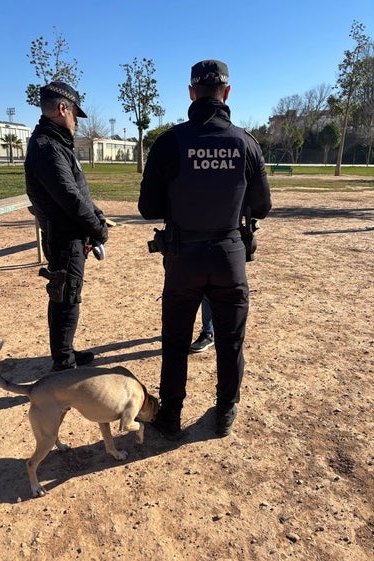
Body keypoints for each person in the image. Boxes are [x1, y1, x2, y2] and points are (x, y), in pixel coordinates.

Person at [138, 60, 271, 439]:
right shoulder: (246, 143)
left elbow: (148, 209)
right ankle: (226, 411)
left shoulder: (168, 142)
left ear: (191, 93)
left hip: (183, 258)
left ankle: (171, 415)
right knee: (230, 343)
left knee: (176, 342)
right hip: (229, 256)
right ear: (226, 93)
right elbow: (261, 207)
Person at [25, 81, 109, 371]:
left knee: (66, 295)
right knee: (66, 297)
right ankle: (63, 364)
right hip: (64, 236)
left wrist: (96, 215)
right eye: (74, 113)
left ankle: (66, 351)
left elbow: (77, 190)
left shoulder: (56, 142)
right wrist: (97, 229)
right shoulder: (47, 146)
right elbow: (69, 198)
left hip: (71, 233)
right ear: (62, 108)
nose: (75, 120)